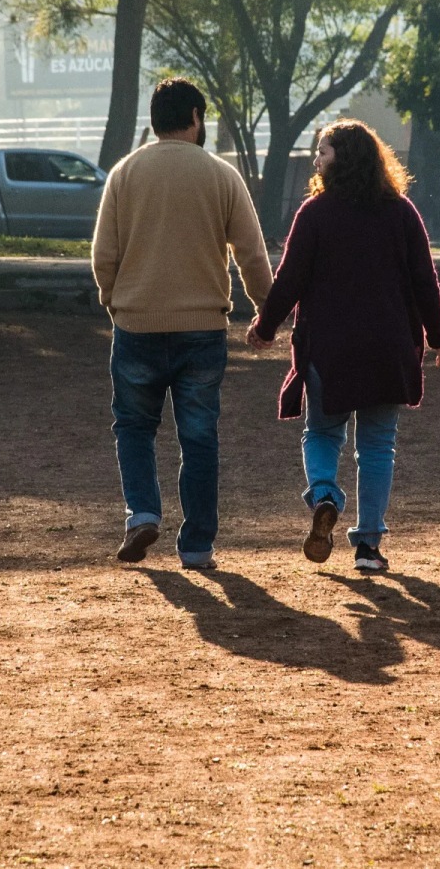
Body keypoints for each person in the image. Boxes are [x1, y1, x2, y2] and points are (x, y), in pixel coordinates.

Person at [248, 119, 440, 573]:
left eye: (323, 151)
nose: (316, 159)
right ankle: (369, 547)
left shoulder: (315, 214)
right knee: (377, 446)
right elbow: (424, 279)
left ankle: (324, 496)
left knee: (322, 433)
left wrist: (265, 327)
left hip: (330, 351)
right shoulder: (402, 213)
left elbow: (289, 279)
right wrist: (436, 335)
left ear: (345, 158)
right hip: (388, 349)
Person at [93, 77, 274, 569]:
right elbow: (251, 254)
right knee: (199, 437)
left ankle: (142, 513)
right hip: (203, 328)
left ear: (155, 120)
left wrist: (114, 302)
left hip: (136, 325)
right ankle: (196, 546)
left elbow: (104, 255)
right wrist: (267, 310)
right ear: (195, 118)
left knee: (134, 426)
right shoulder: (221, 175)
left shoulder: (124, 174)